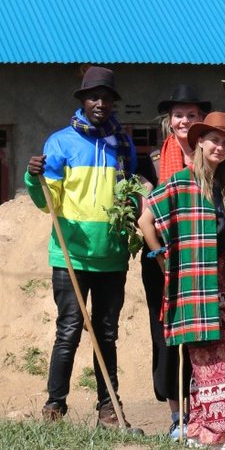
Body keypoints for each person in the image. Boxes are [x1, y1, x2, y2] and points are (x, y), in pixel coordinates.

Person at [24, 65, 140, 430]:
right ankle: (54, 405)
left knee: (106, 334)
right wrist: (33, 178)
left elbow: (132, 194)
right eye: (94, 97)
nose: (100, 103)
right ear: (83, 101)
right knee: (69, 330)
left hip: (112, 256)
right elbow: (48, 203)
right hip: (71, 255)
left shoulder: (123, 144)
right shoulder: (60, 143)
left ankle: (109, 408)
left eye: (106, 98)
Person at [139, 112, 225, 450]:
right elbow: (145, 221)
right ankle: (216, 434)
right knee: (212, 357)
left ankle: (200, 430)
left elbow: (221, 234)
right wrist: (163, 261)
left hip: (224, 282)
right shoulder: (180, 182)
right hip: (194, 283)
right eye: (214, 140)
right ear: (200, 143)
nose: (220, 147)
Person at [138, 83, 210, 438]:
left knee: (204, 333)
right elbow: (144, 216)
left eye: (191, 115)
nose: (184, 121)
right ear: (169, 120)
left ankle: (205, 409)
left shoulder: (211, 157)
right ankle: (177, 414)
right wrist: (161, 258)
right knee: (166, 333)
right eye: (178, 115)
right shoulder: (151, 162)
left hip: (203, 258)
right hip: (161, 259)